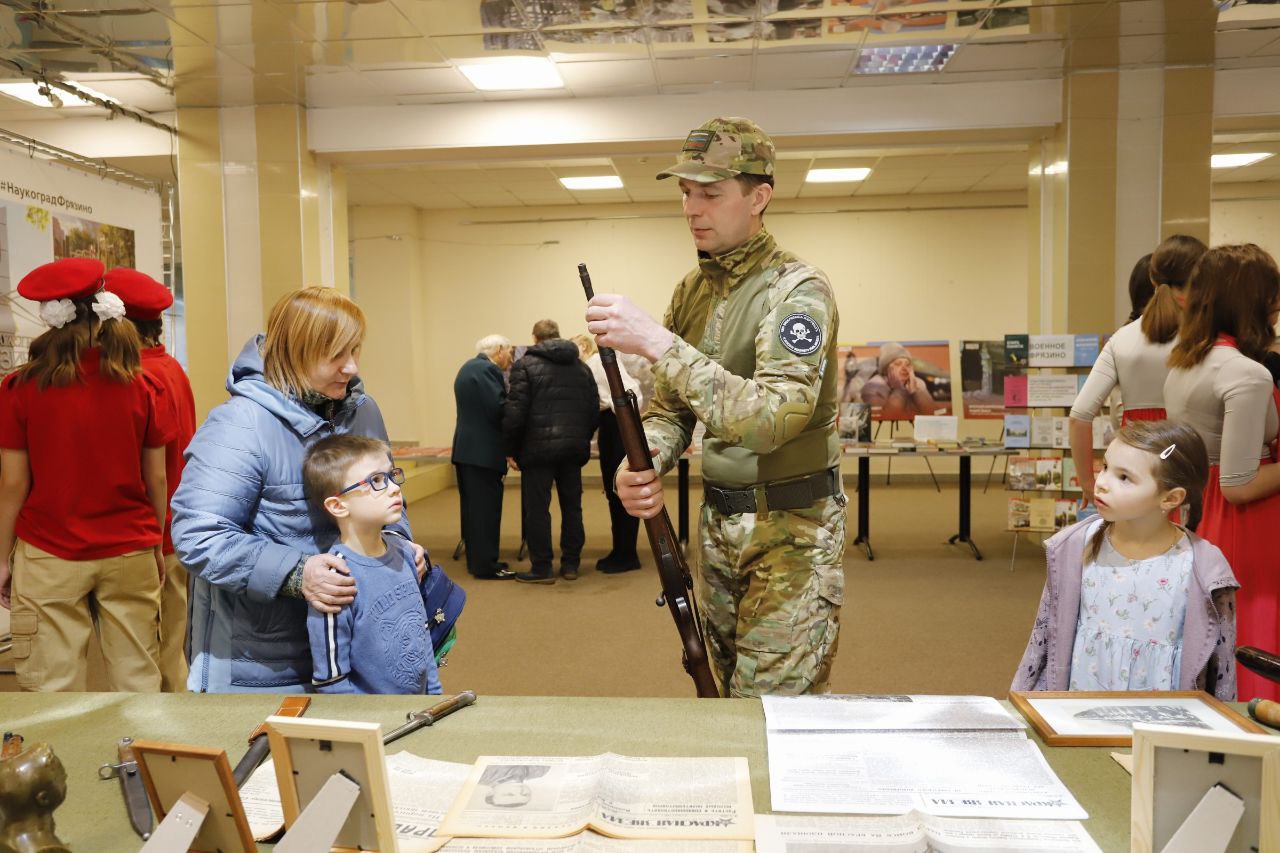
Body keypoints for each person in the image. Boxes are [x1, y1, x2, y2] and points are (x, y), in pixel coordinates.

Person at [585, 116, 846, 697]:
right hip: (719, 527)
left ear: (759, 197)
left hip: (793, 533)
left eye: (710, 193)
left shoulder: (797, 289)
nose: (691, 209)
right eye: (685, 193)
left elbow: (772, 418)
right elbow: (674, 408)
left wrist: (656, 341)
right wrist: (644, 458)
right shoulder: (693, 291)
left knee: (779, 711)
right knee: (724, 693)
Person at [172, 286, 424, 693]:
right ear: (296, 352)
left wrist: (398, 542)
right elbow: (199, 536)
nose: (352, 368)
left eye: (355, 351)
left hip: (358, 646)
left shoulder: (363, 411)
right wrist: (297, 573)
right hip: (264, 664)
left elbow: (387, 492)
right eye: (337, 356)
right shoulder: (240, 424)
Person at [0, 258, 175, 691]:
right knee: (138, 682)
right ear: (102, 310)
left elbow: (13, 485)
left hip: (48, 551)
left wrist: (2, 557)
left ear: (50, 317)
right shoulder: (142, 385)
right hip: (129, 548)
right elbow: (156, 479)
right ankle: (140, 759)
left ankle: (62, 762)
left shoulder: (21, 390)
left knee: (52, 688)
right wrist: (154, 541)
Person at [1012, 421, 1238, 698]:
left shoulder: (1203, 567)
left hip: (1161, 722)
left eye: (1124, 477)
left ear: (1170, 498)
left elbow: (1222, 671)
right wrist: (1023, 703)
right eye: (1105, 467)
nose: (1102, 483)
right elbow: (1043, 637)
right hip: (1079, 714)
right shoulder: (1074, 547)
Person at [1164, 243, 1280, 701]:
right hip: (1244, 525)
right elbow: (1238, 485)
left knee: (1217, 629)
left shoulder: (1187, 361)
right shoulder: (1247, 374)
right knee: (1252, 629)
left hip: (1199, 513)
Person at [103, 267, 198, 692]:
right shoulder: (172, 368)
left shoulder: (135, 378)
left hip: (149, 535)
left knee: (142, 657)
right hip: (176, 527)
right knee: (171, 649)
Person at [1069, 237, 1207, 504]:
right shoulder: (1205, 339)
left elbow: (1079, 415)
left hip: (1133, 462)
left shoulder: (1121, 339)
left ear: (1153, 281)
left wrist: (1088, 483)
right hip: (1188, 458)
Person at [301, 435, 442, 694]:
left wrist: (433, 696)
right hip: (374, 725)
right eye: (376, 481)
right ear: (338, 505)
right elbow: (331, 680)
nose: (394, 488)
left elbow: (421, 640)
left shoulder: (405, 552)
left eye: (391, 476)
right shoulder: (336, 578)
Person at [503, 319, 598, 584]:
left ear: (535, 339)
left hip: (536, 451)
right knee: (572, 507)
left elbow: (515, 411)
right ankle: (570, 564)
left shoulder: (525, 365)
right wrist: (581, 437)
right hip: (572, 450)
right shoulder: (581, 368)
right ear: (558, 336)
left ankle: (542, 567)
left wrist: (510, 448)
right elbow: (593, 410)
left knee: (537, 510)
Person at [452, 334, 515, 580]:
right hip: (483, 452)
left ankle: (478, 560)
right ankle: (487, 566)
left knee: (473, 511)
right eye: (509, 351)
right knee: (486, 511)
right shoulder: (488, 369)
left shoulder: (468, 367)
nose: (510, 357)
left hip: (467, 450)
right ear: (498, 350)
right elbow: (498, 408)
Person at [585, 341, 646, 574]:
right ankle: (620, 550)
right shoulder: (603, 361)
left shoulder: (600, 362)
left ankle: (626, 553)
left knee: (620, 491)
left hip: (616, 426)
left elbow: (631, 395)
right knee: (616, 491)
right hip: (615, 425)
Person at [859, 342, 937, 420]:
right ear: (886, 369)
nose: (904, 368)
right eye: (898, 364)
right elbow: (885, 420)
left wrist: (916, 393)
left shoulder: (918, 383)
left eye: (907, 364)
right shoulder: (872, 388)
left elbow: (933, 415)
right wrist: (900, 390)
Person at [477, 764, 550, 808]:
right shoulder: (540, 771)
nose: (519, 791)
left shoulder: (481, 775)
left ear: (490, 792)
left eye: (509, 794)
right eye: (525, 794)